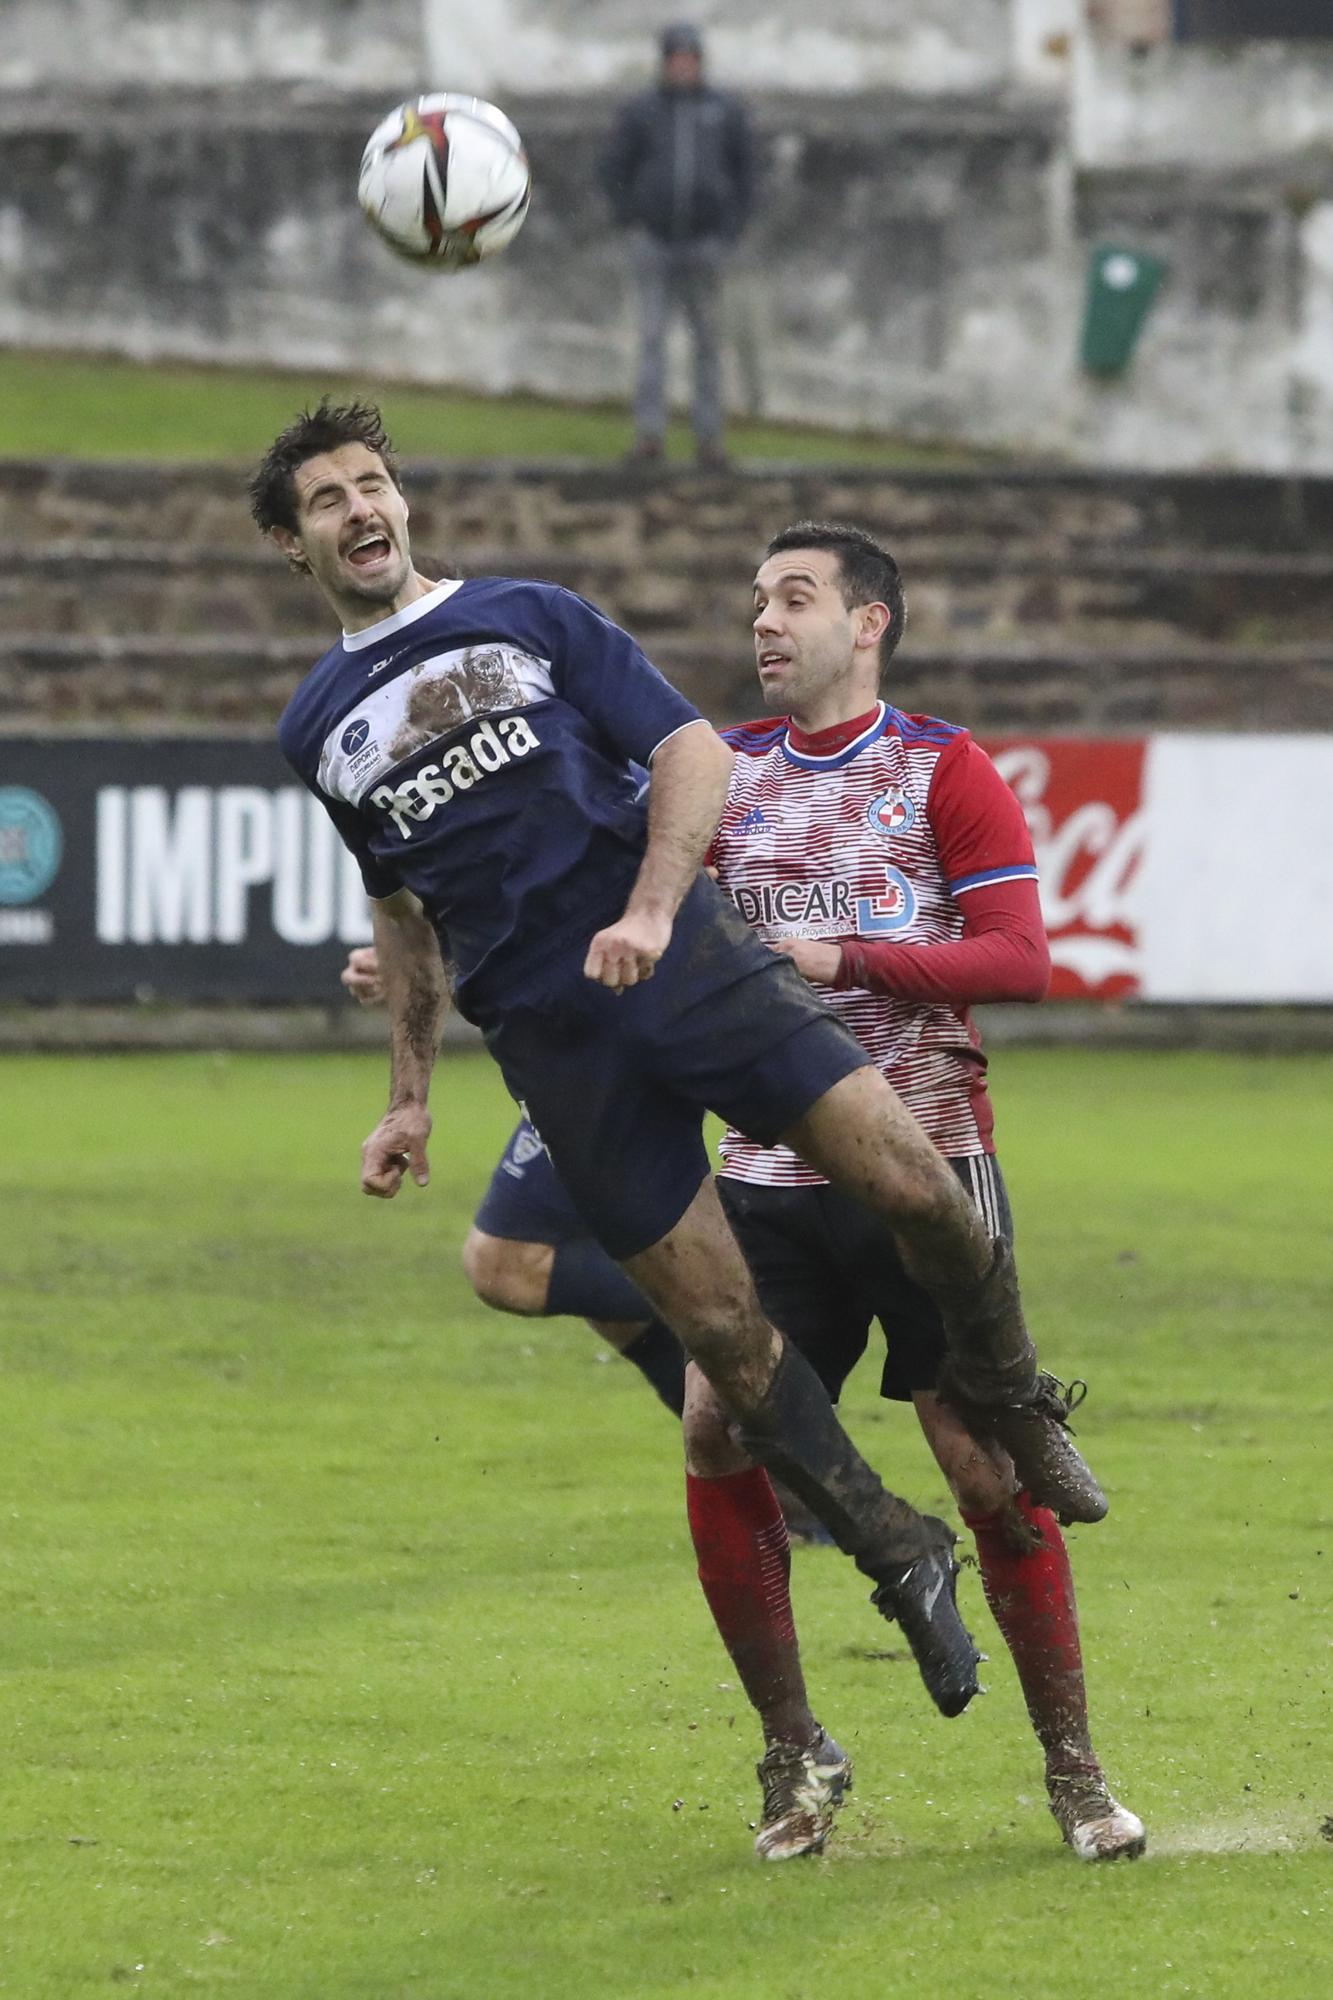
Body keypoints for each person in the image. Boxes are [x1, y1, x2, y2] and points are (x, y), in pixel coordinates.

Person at [251, 397, 1103, 1735]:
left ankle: (1017, 1393)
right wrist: (410, 1094)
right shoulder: (316, 728)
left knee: (918, 1186)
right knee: (720, 1346)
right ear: (297, 550)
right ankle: (897, 1552)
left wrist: (653, 908)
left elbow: (686, 750)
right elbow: (405, 910)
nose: (358, 510)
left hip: (686, 967)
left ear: (401, 503)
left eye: (371, 485)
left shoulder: (529, 615)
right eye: (325, 501)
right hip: (553, 1044)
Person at [682, 520, 1143, 1864]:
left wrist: (849, 959)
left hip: (928, 1171)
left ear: (871, 619)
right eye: (756, 598)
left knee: (983, 1470)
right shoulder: (720, 772)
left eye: (795, 597)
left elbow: (1022, 960)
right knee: (717, 1432)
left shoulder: (943, 767)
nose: (764, 621)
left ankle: (1074, 1772)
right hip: (765, 1169)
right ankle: (791, 1762)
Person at [600, 22, 754, 469]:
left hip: (705, 244)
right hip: (655, 242)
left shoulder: (722, 111)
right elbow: (613, 168)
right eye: (676, 58)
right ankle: (650, 437)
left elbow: (745, 173)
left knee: (707, 343)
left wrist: (729, 228)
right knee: (651, 341)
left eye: (690, 58)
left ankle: (709, 441)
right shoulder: (642, 111)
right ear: (665, 63)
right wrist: (631, 217)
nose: (683, 66)